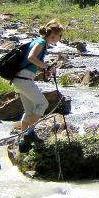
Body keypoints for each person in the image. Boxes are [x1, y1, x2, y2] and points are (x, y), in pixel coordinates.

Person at [12, 19, 63, 152]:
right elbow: (31, 57)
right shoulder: (41, 42)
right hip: (24, 80)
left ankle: (23, 142)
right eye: (60, 36)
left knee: (29, 111)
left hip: (20, 80)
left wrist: (45, 70)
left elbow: (32, 64)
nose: (60, 38)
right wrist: (47, 66)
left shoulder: (39, 42)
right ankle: (29, 133)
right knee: (43, 104)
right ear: (53, 35)